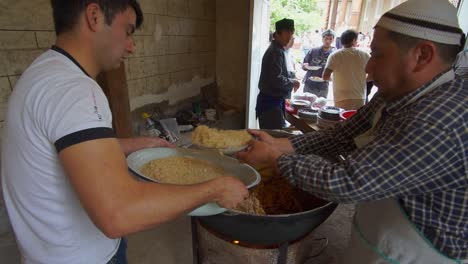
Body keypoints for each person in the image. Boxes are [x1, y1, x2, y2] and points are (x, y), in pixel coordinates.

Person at [1, 1, 248, 263]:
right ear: (94, 16)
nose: (131, 46)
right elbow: (118, 213)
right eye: (128, 31)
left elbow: (64, 149)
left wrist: (134, 144)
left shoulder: (43, 72)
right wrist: (214, 189)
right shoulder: (75, 90)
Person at [238, 0, 467, 263]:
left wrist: (275, 160)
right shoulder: (394, 95)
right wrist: (282, 146)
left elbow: (349, 181)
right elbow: (343, 135)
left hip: (416, 253)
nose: (368, 69)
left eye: (378, 54)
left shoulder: (440, 121)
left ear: (422, 55)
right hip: (377, 236)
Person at [256, 18, 300, 129]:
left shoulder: (279, 49)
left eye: (291, 33)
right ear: (278, 33)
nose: (290, 37)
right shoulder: (276, 51)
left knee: (272, 136)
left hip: (272, 102)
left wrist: (290, 76)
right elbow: (276, 79)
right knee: (272, 138)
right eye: (287, 33)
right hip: (270, 104)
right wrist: (293, 82)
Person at [323, 29, 371, 110]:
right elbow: (373, 75)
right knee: (356, 121)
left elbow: (325, 76)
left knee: (342, 120)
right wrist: (361, 80)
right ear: (354, 40)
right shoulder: (365, 55)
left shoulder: (335, 55)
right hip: (360, 97)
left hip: (341, 97)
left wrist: (336, 79)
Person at [302, 29, 336, 98]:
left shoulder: (334, 54)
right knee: (306, 104)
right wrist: (305, 66)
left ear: (333, 40)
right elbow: (304, 65)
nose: (328, 41)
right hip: (310, 84)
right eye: (326, 38)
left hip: (323, 85)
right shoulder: (313, 50)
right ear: (322, 39)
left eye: (330, 39)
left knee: (320, 106)